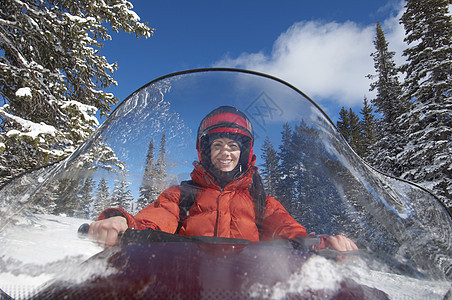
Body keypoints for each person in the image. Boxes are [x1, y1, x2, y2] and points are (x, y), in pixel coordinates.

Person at [89, 106, 357, 251]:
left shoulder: (261, 200)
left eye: (233, 146)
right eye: (217, 145)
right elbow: (154, 220)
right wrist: (120, 221)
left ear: (243, 153)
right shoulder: (181, 195)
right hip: (183, 281)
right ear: (206, 151)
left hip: (253, 286)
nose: (225, 153)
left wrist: (324, 244)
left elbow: (289, 230)